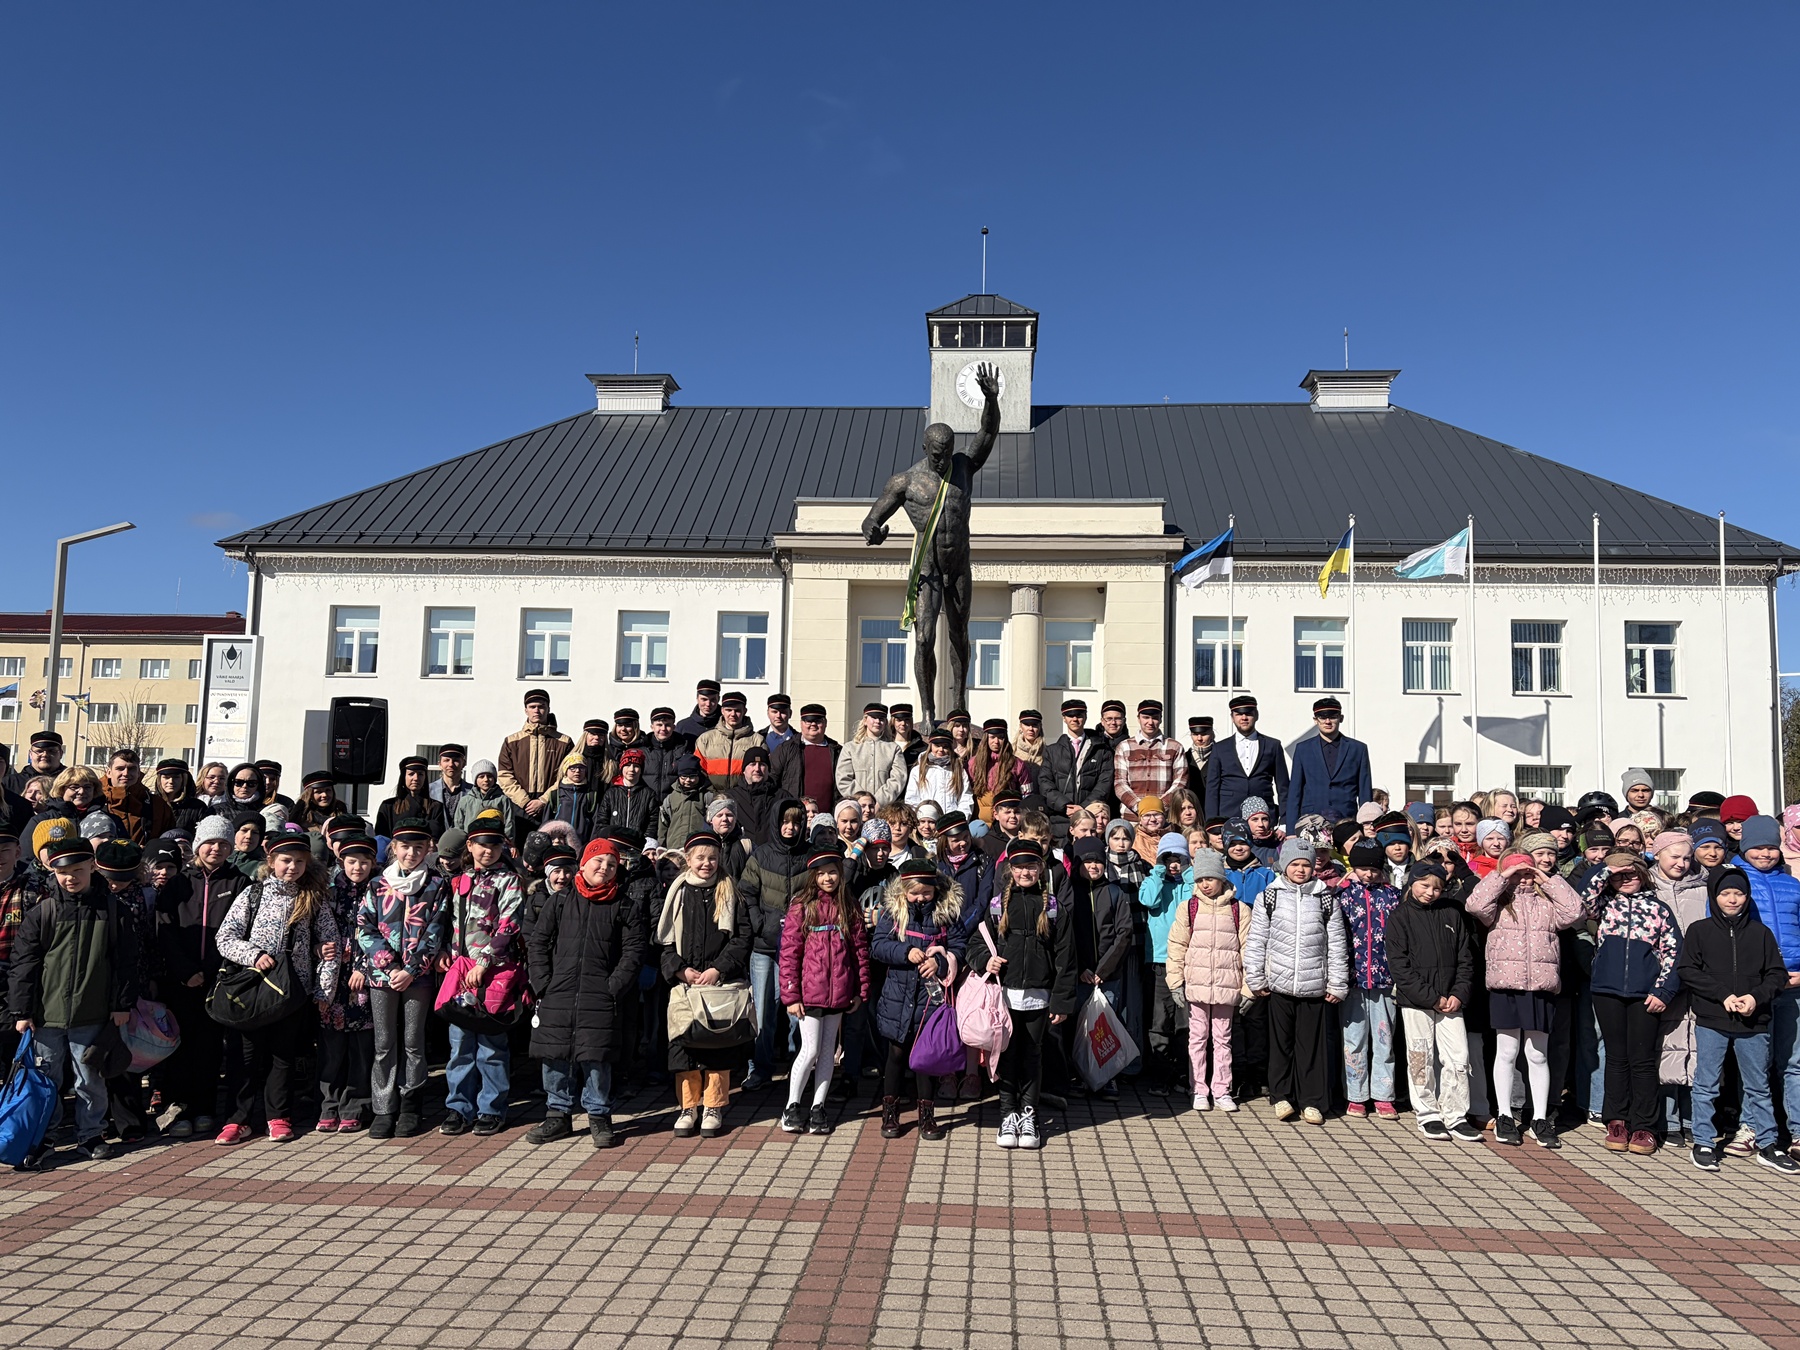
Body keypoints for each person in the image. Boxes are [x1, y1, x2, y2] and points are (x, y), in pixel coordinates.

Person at [7, 830, 141, 1166]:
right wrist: (22, 1011)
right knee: (46, 1081)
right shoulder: (43, 912)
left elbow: (127, 963)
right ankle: (44, 1136)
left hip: (92, 1014)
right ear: (53, 872)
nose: (70, 878)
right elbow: (24, 964)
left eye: (78, 870)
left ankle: (91, 1134)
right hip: (46, 1016)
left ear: (92, 867)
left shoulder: (114, 911)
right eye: (63, 872)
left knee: (90, 1079)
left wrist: (121, 1004)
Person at [213, 832, 339, 1145]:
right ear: (271, 861)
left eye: (299, 861)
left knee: (283, 1056)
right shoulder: (252, 894)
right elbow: (225, 937)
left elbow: (329, 945)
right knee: (245, 1056)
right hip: (252, 990)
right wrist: (254, 955)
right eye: (285, 860)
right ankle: (237, 1119)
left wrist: (323, 991)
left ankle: (278, 1116)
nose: (292, 867)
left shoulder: (313, 898)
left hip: (293, 992)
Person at [526, 836, 647, 1149]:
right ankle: (558, 1114)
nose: (604, 868)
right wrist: (542, 982)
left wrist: (613, 986)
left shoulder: (625, 906)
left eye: (611, 864)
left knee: (597, 1058)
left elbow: (634, 951)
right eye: (598, 861)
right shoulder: (560, 901)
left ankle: (599, 1115)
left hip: (600, 995)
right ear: (584, 864)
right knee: (555, 1054)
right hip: (558, 991)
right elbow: (538, 943)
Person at [1464, 849, 1586, 1147]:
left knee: (1538, 1054)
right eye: (1517, 873)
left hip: (1540, 987)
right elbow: (1474, 904)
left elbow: (1575, 912)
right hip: (1506, 986)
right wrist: (1502, 876)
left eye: (1527, 872)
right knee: (1507, 1052)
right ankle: (1505, 1114)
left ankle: (1540, 1118)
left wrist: (1548, 879)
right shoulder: (1498, 904)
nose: (1523, 878)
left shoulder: (1548, 904)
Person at [1680, 867, 1796, 1173]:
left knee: (1758, 1085)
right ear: (1714, 896)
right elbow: (1688, 970)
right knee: (1706, 1083)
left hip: (1753, 1021)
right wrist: (1723, 995)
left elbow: (1776, 974)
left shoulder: (1761, 933)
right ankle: (1703, 1141)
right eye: (1725, 893)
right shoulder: (1699, 931)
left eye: (1739, 893)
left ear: (1747, 896)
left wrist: (1755, 998)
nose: (1732, 899)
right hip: (1712, 1018)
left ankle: (1768, 1144)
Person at [966, 840, 1079, 1149]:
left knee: (1032, 1055)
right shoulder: (997, 905)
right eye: (1019, 867)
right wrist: (985, 960)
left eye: (1031, 866)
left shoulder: (1053, 908)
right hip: (1004, 997)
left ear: (1041, 869)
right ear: (1010, 870)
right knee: (1007, 1056)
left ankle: (1029, 1115)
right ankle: (1008, 1114)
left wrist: (1062, 1000)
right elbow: (976, 943)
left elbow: (1066, 958)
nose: (1025, 872)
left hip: (1039, 998)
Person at [153, 813, 248, 1138]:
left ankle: (205, 1108)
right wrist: (186, 971)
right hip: (181, 980)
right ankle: (178, 1107)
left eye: (223, 843)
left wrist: (214, 972)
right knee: (180, 1045)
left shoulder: (239, 883)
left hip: (218, 980)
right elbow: (165, 930)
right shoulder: (178, 883)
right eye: (210, 842)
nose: (216, 849)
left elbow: (242, 930)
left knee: (209, 1047)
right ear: (198, 846)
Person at [655, 830, 754, 1139]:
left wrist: (718, 969)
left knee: (717, 1048)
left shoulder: (730, 890)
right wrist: (679, 970)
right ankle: (688, 1107)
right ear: (688, 859)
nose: (706, 863)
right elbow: (664, 942)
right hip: (685, 983)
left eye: (712, 857)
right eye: (700, 858)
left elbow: (742, 937)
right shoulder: (678, 891)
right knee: (683, 1048)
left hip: (718, 984)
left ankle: (713, 1106)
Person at [1244, 838, 1349, 1124]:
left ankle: (1311, 1101)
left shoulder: (1325, 898)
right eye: (1294, 864)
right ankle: (1282, 1096)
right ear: (1284, 866)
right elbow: (1257, 941)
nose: (1300, 870)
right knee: (1281, 1044)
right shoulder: (1269, 896)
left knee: (1311, 1047)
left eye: (1305, 864)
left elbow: (1336, 944)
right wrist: (1255, 977)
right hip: (1278, 984)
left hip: (1314, 985)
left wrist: (1337, 983)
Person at [358, 817, 447, 1139]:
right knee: (384, 1043)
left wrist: (411, 970)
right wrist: (390, 966)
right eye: (405, 847)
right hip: (382, 975)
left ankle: (410, 1105)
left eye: (418, 847)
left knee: (413, 1041)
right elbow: (365, 927)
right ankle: (384, 1108)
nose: (411, 853)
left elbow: (437, 928)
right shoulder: (377, 884)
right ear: (393, 848)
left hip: (417, 976)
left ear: (428, 849)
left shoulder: (436, 884)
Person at [437, 813, 525, 1136]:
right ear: (470, 846)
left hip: (494, 973)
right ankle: (458, 1108)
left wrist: (485, 962)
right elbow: (450, 922)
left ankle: (491, 1108)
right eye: (482, 844)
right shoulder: (460, 879)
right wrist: (444, 951)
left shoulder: (509, 880)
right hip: (462, 973)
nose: (488, 850)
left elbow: (509, 925)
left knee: (491, 1046)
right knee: (459, 1046)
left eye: (495, 845)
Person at [1386, 861, 1482, 1142]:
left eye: (1437, 888)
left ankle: (1455, 1114)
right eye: (1424, 885)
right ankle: (1427, 1113)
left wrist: (1458, 994)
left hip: (1451, 1000)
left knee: (1458, 1058)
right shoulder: (1400, 917)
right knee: (1421, 1056)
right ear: (1412, 883)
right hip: (1417, 1002)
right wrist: (1431, 997)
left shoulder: (1452, 913)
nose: (1430, 892)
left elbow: (1466, 959)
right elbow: (1400, 967)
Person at [778, 849, 872, 1136]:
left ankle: (818, 1107)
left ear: (840, 874)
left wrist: (861, 989)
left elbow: (859, 951)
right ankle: (792, 1106)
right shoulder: (802, 906)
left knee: (828, 1052)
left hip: (840, 992)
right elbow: (789, 953)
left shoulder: (849, 905)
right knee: (810, 1050)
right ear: (813, 876)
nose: (828, 878)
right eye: (821, 874)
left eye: (832, 872)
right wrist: (791, 995)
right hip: (809, 993)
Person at [1734, 814, 1800, 1158]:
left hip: (1793, 983)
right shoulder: (1735, 881)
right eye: (1757, 847)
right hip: (1756, 985)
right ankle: (1752, 1127)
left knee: (1794, 1062)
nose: (1765, 853)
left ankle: (1798, 1131)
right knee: (1756, 1063)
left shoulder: (1792, 884)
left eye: (1771, 847)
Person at [1163, 848, 1245, 1112]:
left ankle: (1222, 1090)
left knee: (1223, 1039)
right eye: (1200, 880)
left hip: (1227, 985)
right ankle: (1199, 1088)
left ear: (1221, 878)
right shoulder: (1189, 908)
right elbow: (1177, 946)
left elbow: (1250, 950)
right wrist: (1175, 982)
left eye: (1210, 878)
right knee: (1197, 1038)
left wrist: (1248, 989)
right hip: (1196, 985)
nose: (1205, 884)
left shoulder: (1239, 909)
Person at [1650, 830, 1709, 1148]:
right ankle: (1668, 1119)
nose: (1681, 863)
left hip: (1698, 980)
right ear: (1658, 854)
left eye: (1687, 857)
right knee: (1666, 1046)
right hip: (1663, 981)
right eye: (1674, 856)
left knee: (1696, 1050)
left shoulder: (1703, 886)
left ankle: (1692, 1119)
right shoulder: (1648, 886)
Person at [1336, 839, 1401, 1119]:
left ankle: (1384, 1095)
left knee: (1384, 1039)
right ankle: (1356, 1095)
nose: (1369, 874)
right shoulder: (1343, 896)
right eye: (1363, 868)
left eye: (1374, 869)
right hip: (1354, 979)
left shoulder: (1393, 896)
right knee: (1354, 1040)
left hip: (1385, 980)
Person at [317, 833, 377, 1134]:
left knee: (361, 1049)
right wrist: (318, 949)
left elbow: (386, 934)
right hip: (332, 980)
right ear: (341, 861)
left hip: (364, 981)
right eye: (352, 861)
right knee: (331, 1048)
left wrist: (364, 968)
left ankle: (355, 1106)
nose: (358, 867)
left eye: (364, 862)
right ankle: (329, 1105)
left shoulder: (380, 890)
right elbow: (313, 930)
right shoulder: (327, 893)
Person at [1136, 832, 1192, 1096]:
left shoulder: (1191, 883)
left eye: (1178, 859)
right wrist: (1158, 870)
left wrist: (1188, 871)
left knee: (1185, 1022)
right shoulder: (1153, 880)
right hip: (1159, 961)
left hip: (1187, 961)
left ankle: (1183, 1073)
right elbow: (1147, 900)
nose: (1173, 864)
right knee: (1160, 1021)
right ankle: (1160, 1073)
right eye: (1168, 859)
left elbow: (1196, 900)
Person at [1283, 698, 1371, 834]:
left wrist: (1367, 825)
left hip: (1347, 821)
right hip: (1310, 823)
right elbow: (1295, 792)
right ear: (1315, 720)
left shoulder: (1358, 749)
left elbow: (1365, 792)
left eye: (1332, 717)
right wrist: (1290, 831)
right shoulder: (1303, 749)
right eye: (1322, 717)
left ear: (1341, 718)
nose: (1327, 721)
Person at [1205, 695, 1290, 823]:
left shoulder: (1273, 745)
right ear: (1232, 717)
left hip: (1263, 819)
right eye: (1239, 714)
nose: (1244, 718)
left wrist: (1284, 822)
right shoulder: (1219, 748)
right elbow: (1212, 789)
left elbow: (1283, 787)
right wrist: (1212, 823)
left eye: (1248, 713)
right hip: (1228, 816)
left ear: (1256, 715)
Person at [498, 688, 575, 829]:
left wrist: (543, 800)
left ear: (548, 709)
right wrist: (524, 802)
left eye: (541, 707)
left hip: (552, 805)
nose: (537, 711)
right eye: (532, 707)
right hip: (519, 806)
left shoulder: (564, 742)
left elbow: (567, 776)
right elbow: (504, 776)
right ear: (525, 710)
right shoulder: (512, 741)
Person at [1042, 699, 1111, 842]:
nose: (1075, 719)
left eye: (1079, 715)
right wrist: (1064, 806)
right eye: (1070, 715)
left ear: (1085, 716)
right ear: (1064, 718)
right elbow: (1045, 782)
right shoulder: (1052, 751)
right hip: (1060, 819)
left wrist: (1084, 807)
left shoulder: (1101, 749)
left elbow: (1104, 783)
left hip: (1090, 818)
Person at [1112, 700, 1185, 824]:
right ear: (1138, 718)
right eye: (1146, 717)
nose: (1150, 722)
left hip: (1164, 818)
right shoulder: (1124, 747)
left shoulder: (1175, 747)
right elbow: (1120, 783)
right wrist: (1139, 807)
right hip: (1132, 818)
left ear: (1161, 719)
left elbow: (1181, 782)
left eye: (1155, 718)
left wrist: (1159, 807)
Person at [836, 703, 908, 807]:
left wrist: (879, 801)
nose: (878, 721)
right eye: (874, 717)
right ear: (865, 720)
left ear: (885, 722)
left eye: (881, 718)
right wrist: (861, 801)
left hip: (883, 808)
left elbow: (898, 779)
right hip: (856, 807)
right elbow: (843, 779)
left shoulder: (893, 749)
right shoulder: (850, 748)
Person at [968, 718, 1035, 824]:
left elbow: (1027, 795)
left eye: (1000, 737)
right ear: (986, 738)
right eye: (992, 737)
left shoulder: (1017, 764)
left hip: (1007, 822)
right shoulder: (973, 764)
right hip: (980, 822)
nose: (996, 741)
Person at [695, 690, 764, 783]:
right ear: (722, 711)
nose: (733, 714)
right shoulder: (705, 739)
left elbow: (762, 772)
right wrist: (709, 790)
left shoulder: (757, 740)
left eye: (737, 711)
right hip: (711, 791)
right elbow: (698, 770)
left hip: (744, 791)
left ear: (745, 711)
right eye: (729, 710)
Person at [375, 756, 445, 843]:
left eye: (420, 774)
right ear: (403, 777)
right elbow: (381, 839)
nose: (416, 778)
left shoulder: (435, 807)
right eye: (411, 774)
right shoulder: (388, 806)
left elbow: (437, 837)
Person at [542, 751, 603, 846]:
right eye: (572, 768)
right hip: (559, 843)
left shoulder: (591, 796)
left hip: (582, 844)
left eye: (581, 767)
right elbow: (546, 824)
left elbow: (596, 823)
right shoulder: (556, 794)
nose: (577, 771)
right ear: (565, 770)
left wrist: (591, 843)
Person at [598, 747, 658, 839]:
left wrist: (646, 840)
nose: (631, 769)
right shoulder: (611, 793)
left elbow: (653, 821)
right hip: (615, 842)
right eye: (627, 765)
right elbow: (602, 821)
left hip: (638, 843)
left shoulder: (649, 794)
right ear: (621, 768)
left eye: (636, 766)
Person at [732, 745, 783, 848]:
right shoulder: (731, 797)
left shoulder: (782, 797)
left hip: (773, 853)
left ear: (768, 769)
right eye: (752, 764)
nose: (757, 769)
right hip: (743, 852)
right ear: (744, 770)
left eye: (762, 764)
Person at [152, 758, 211, 833]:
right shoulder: (151, 804)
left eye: (176, 777)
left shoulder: (197, 807)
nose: (171, 781)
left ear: (184, 779)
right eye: (166, 777)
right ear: (159, 780)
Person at [642, 707, 690, 800]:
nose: (663, 729)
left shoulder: (683, 749)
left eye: (667, 725)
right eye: (659, 725)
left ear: (674, 727)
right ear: (652, 727)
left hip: (674, 802)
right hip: (647, 802)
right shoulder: (643, 750)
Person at [429, 744, 480, 824]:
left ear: (463, 763)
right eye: (446, 760)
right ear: (440, 764)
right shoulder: (429, 791)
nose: (451, 764)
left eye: (456, 760)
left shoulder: (474, 792)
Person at [674, 678, 722, 744]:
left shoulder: (727, 726)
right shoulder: (683, 726)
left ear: (718, 699)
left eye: (713, 700)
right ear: (697, 698)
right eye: (704, 699)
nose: (708, 704)